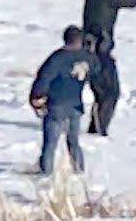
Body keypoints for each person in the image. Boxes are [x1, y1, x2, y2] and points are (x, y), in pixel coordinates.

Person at [29, 26, 101, 175]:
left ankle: (46, 172)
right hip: (76, 106)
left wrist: (36, 96)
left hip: (56, 105)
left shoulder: (58, 58)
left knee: (50, 143)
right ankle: (79, 170)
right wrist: (91, 50)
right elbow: (97, 68)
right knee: (74, 141)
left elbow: (44, 77)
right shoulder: (86, 58)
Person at [82, 0, 136, 136]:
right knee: (110, 92)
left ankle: (96, 128)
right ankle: (98, 130)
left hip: (86, 45)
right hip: (101, 49)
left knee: (101, 91)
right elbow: (130, 1)